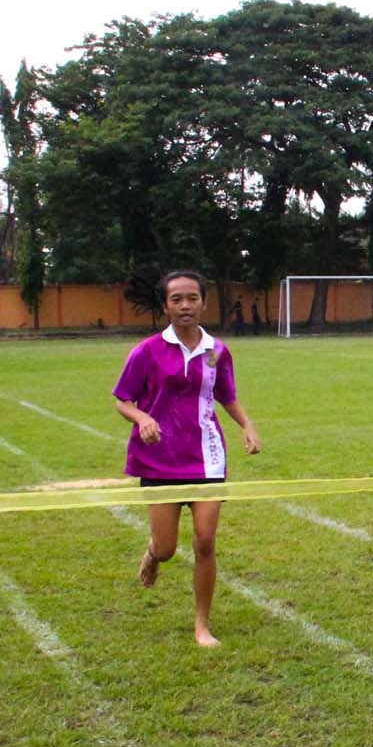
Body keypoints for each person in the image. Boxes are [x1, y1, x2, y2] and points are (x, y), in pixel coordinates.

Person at [113, 270, 262, 648]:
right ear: (165, 306)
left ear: (204, 303)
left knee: (205, 541)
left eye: (192, 298)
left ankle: (202, 624)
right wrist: (142, 418)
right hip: (159, 459)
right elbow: (123, 400)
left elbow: (227, 396)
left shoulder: (217, 351)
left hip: (206, 459)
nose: (185, 306)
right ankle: (153, 553)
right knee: (167, 549)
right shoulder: (147, 351)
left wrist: (247, 426)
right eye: (176, 299)